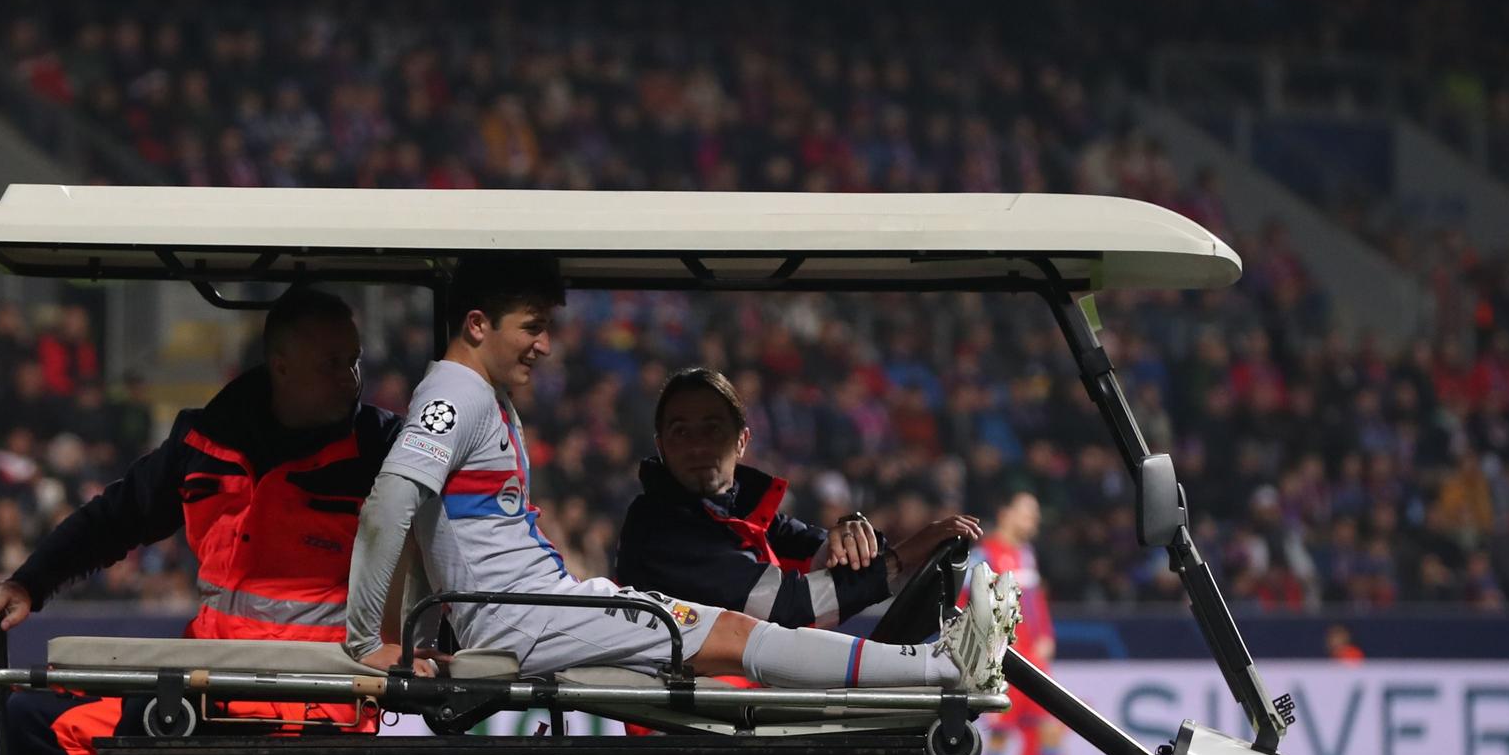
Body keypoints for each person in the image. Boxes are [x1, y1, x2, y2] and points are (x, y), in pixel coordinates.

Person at [343, 256, 1020, 703]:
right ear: (477, 323)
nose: (545, 344)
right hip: (525, 618)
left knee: (729, 633)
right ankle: (937, 668)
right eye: (534, 327)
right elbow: (390, 505)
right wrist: (373, 642)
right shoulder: (456, 394)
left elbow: (417, 521)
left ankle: (935, 664)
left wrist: (418, 632)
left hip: (539, 606)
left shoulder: (476, 395)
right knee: (731, 635)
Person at [0, 288, 400, 755]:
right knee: (32, 718)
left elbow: (445, 557)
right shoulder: (203, 441)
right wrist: (31, 580)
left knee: (153, 722)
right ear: (280, 367)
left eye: (354, 361)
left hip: (321, 701)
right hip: (213, 687)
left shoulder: (384, 452)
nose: (351, 379)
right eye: (331, 363)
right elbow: (116, 515)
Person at [613, 367, 1060, 755]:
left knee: (915, 727)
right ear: (660, 445)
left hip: (748, 718)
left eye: (712, 428)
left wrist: (858, 529)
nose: (697, 444)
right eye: (680, 430)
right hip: (702, 732)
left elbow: (827, 553)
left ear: (742, 439)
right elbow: (791, 604)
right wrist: (909, 550)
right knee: (914, 734)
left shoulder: (742, 510)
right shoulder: (663, 525)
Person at [970, 490, 1090, 755]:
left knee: (1051, 729)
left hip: (1035, 658)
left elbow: (1035, 600)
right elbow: (968, 601)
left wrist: (1046, 633)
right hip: (1005, 660)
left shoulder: (1025, 553)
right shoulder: (985, 554)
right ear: (1005, 513)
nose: (1033, 521)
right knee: (999, 736)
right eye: (1027, 513)